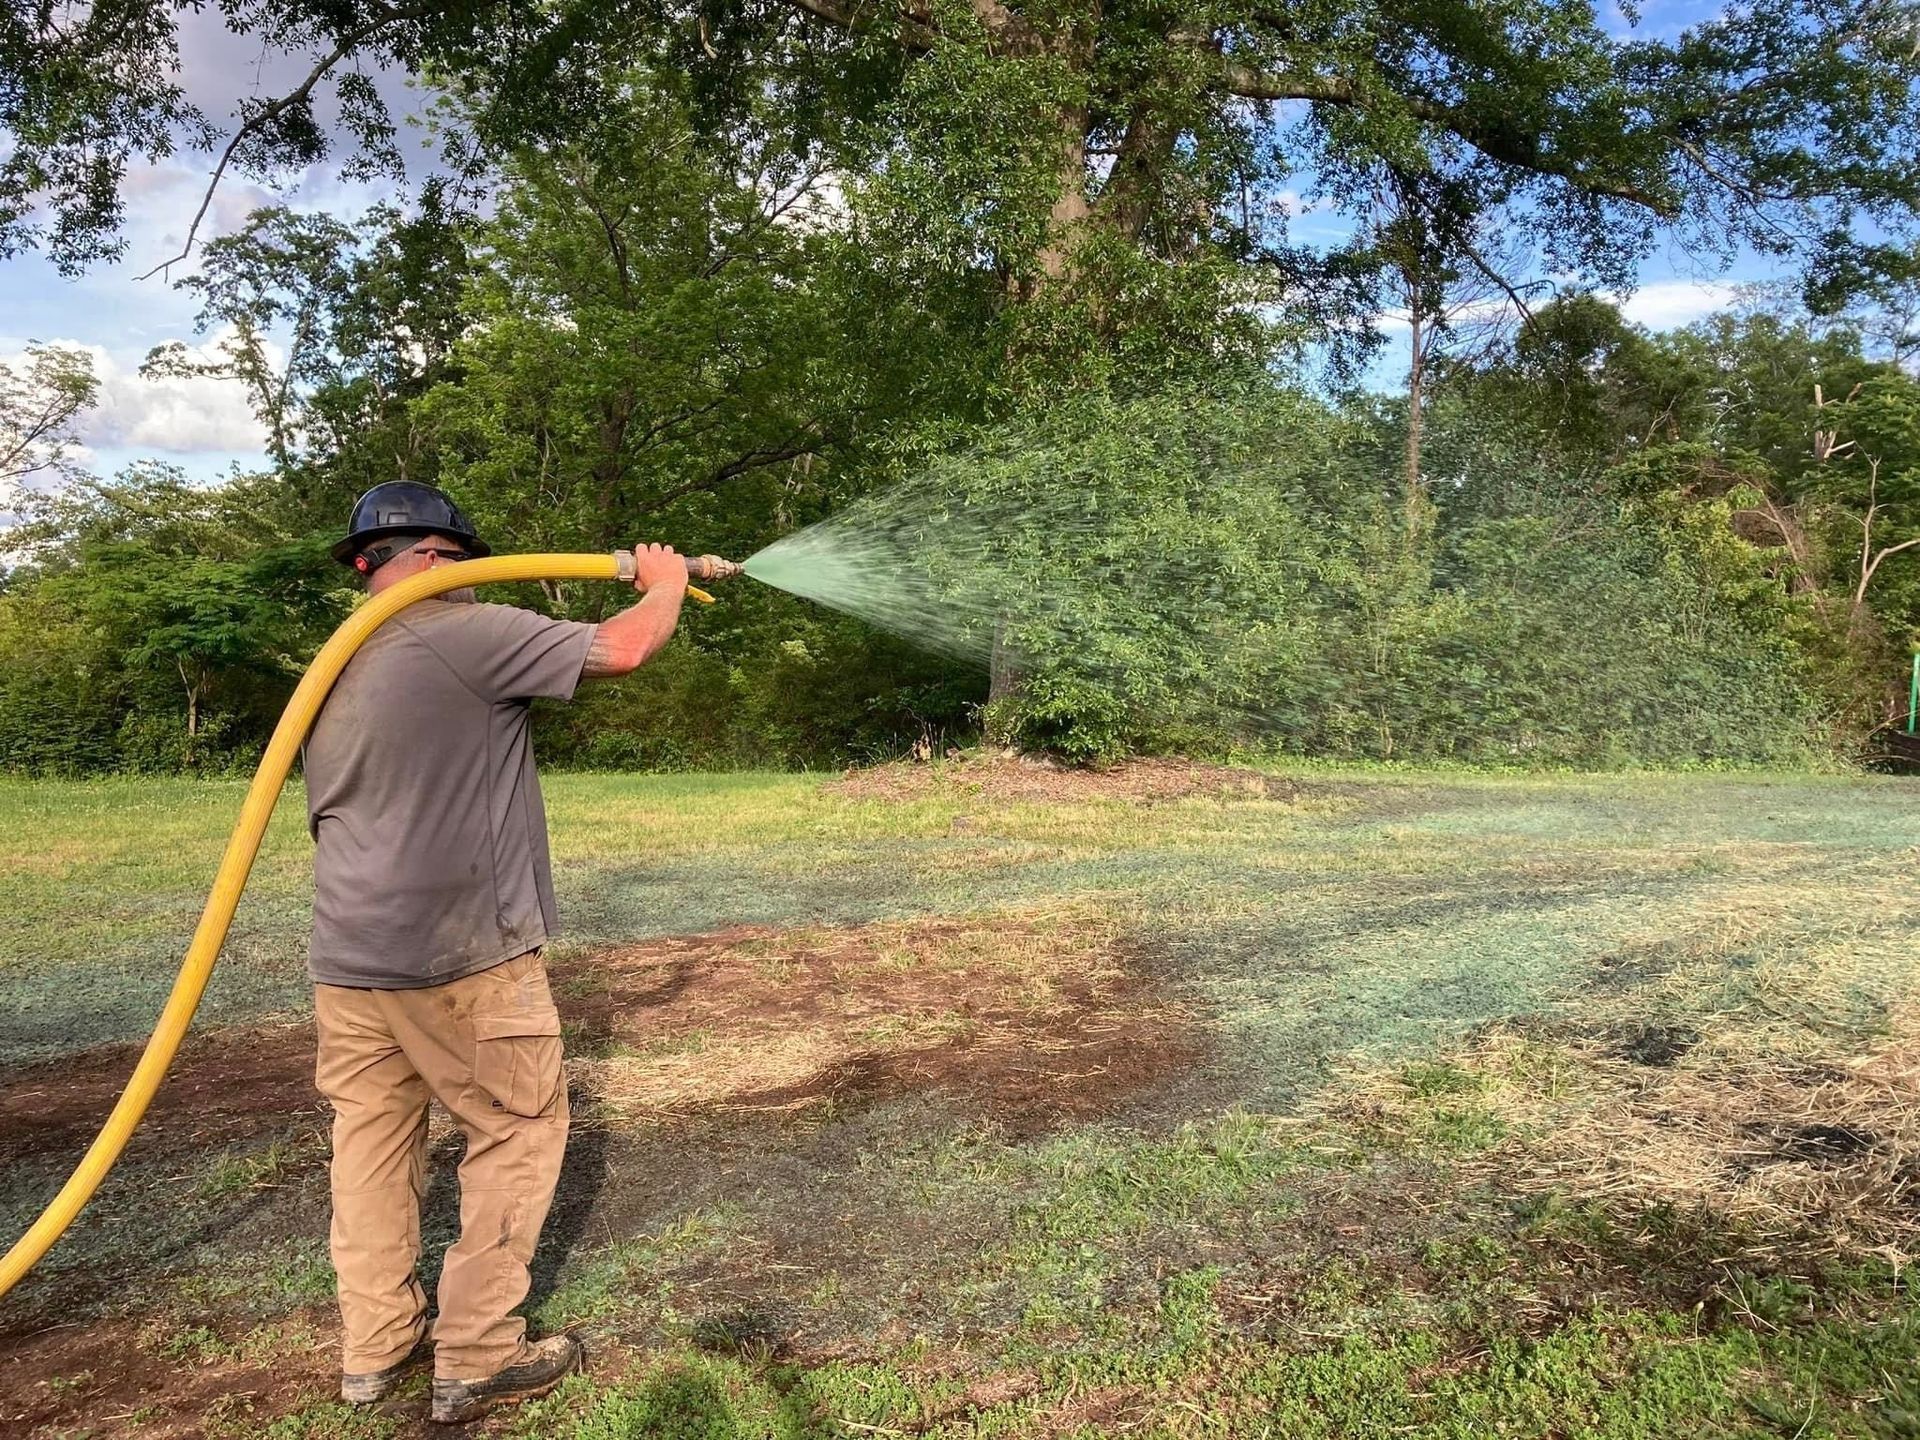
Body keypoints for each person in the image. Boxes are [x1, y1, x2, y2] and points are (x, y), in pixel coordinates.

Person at [303, 481, 688, 1424]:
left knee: (371, 1145)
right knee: (516, 1128)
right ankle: (477, 1355)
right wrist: (666, 580)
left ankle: (374, 1348)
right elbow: (626, 646)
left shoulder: (342, 657)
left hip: (350, 958)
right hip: (460, 951)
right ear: (441, 557)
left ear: (368, 563)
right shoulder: (457, 628)